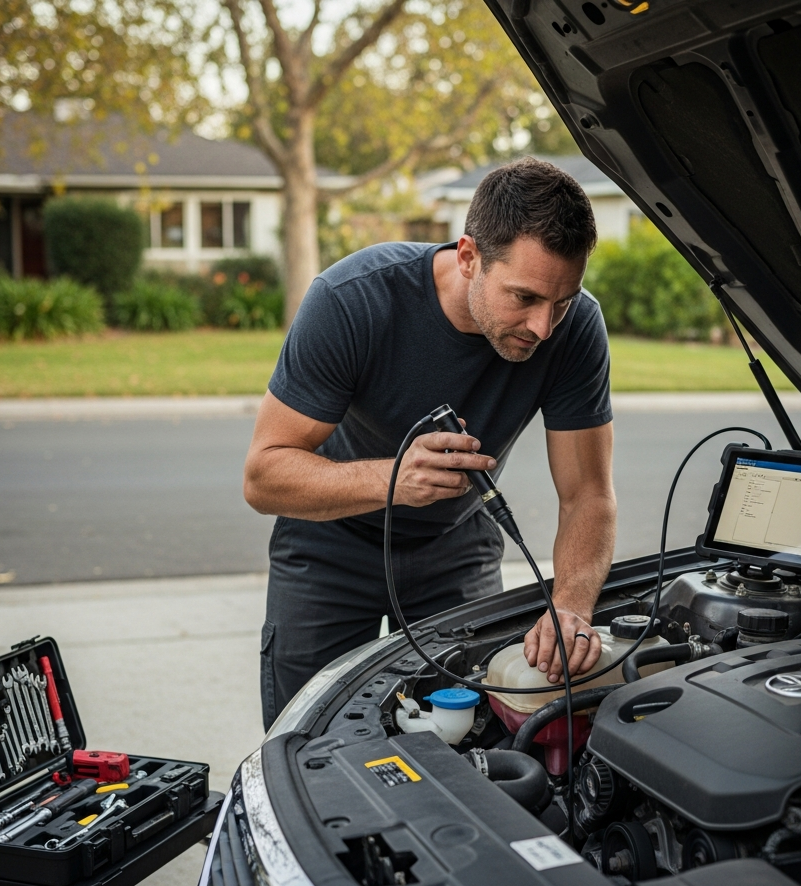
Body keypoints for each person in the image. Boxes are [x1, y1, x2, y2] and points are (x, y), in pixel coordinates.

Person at [244, 157, 617, 730]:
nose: (544, 328)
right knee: (308, 736)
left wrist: (570, 607)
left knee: (471, 736)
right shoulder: (354, 299)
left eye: (560, 302)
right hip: (330, 541)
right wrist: (393, 480)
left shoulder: (575, 330)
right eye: (524, 298)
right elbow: (264, 476)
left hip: (456, 541)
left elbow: (588, 494)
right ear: (469, 257)